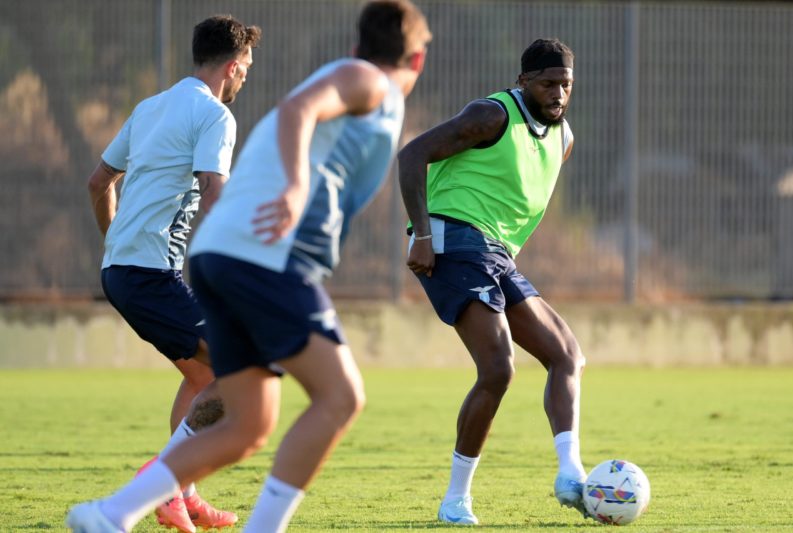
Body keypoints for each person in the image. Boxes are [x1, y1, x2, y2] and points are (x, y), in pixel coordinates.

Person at [66, 1, 431, 532]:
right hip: (262, 258)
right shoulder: (367, 80)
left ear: (357, 45)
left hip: (219, 257)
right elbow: (296, 111)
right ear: (417, 61)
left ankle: (110, 514)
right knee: (340, 395)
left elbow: (101, 181)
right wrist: (296, 184)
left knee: (249, 422)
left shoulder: (154, 106)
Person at [80, 14, 260, 532]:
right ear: (231, 66)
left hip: (123, 269)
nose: (245, 77)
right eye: (246, 67)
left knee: (205, 376)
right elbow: (213, 192)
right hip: (150, 274)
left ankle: (184, 494)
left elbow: (98, 182)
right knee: (239, 374)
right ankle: (161, 482)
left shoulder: (150, 106)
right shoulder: (215, 117)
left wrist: (114, 241)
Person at [398, 38, 588, 525]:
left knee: (567, 354)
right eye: (548, 84)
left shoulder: (562, 140)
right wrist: (421, 234)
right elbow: (412, 154)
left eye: (565, 85)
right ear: (523, 81)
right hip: (452, 239)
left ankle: (570, 475)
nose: (558, 94)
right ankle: (455, 499)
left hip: (495, 255)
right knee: (499, 368)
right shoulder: (491, 115)